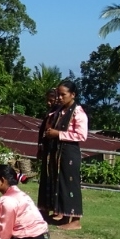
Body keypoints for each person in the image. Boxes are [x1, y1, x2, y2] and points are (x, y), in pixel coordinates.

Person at [42, 80, 88, 230]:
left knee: (70, 185)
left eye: (63, 95)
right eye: (59, 95)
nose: (60, 98)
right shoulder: (59, 111)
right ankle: (62, 215)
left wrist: (58, 133)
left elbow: (82, 135)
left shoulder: (78, 113)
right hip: (57, 152)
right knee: (58, 183)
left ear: (72, 95)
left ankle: (75, 220)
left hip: (69, 153)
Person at [36, 88, 59, 219]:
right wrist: (40, 146)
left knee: (55, 180)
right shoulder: (50, 113)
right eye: (47, 101)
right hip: (46, 149)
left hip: (55, 150)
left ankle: (57, 209)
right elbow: (43, 131)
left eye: (51, 100)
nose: (49, 103)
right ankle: (44, 208)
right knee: (45, 179)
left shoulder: (61, 114)